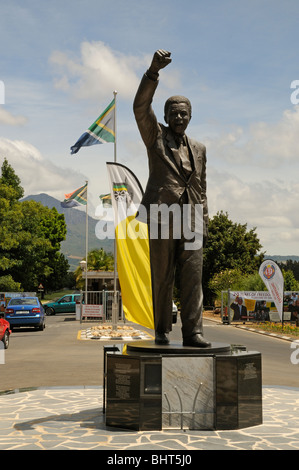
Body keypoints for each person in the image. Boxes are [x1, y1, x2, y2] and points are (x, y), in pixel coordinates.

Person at [133, 50, 210, 347]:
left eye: (184, 113)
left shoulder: (200, 148)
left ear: (190, 116)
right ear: (165, 117)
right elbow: (140, 106)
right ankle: (162, 330)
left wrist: (203, 220)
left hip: (191, 220)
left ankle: (193, 332)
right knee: (162, 276)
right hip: (162, 216)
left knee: (193, 278)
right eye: (173, 113)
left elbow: (201, 186)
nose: (179, 117)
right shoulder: (155, 137)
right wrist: (153, 72)